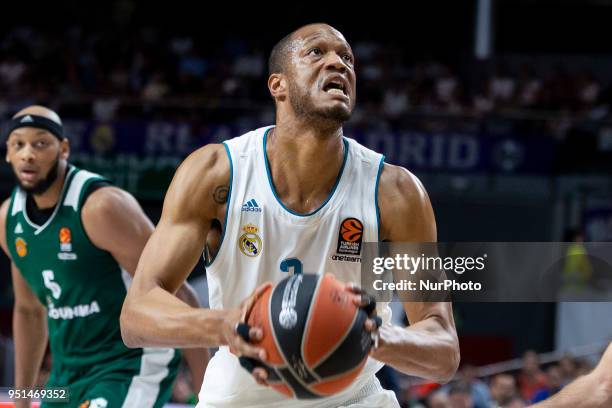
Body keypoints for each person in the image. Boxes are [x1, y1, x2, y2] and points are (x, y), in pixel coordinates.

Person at [120, 23, 459, 407]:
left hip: (353, 399)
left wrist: (370, 334)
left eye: (347, 58)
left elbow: (444, 349)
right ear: (277, 85)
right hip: (237, 398)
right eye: (317, 53)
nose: (339, 63)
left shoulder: (395, 192)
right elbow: (137, 314)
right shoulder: (217, 172)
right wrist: (227, 325)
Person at [0, 106, 208, 407]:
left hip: (129, 363)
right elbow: (30, 311)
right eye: (18, 144)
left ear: (64, 149)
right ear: (7, 153)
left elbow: (179, 292)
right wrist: (22, 399)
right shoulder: (9, 220)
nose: (28, 154)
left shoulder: (101, 207)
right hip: (66, 375)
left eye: (41, 143)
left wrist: (206, 392)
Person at [531, 341, 612, 407]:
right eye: (551, 378)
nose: (553, 381)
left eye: (556, 378)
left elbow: (604, 386)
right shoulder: (541, 393)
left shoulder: (564, 389)